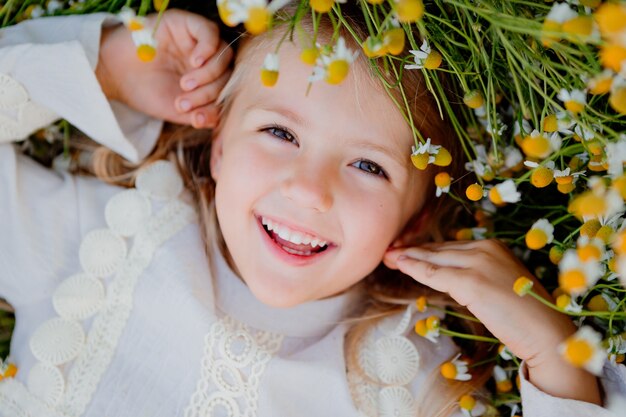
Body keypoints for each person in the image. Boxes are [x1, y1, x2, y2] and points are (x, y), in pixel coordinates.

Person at [0, 5, 624, 417]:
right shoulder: (95, 241)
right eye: (280, 133)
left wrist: (551, 353)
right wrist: (106, 67)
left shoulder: (412, 367)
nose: (310, 189)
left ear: (410, 222)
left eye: (369, 166)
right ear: (218, 143)